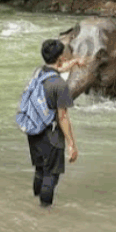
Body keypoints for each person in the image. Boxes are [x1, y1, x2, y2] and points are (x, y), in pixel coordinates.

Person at [25, 39, 83, 208]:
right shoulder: (60, 85)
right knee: (51, 175)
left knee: (40, 169)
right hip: (51, 135)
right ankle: (44, 210)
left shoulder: (38, 73)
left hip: (34, 130)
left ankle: (34, 199)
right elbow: (63, 117)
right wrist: (72, 144)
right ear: (59, 58)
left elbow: (58, 69)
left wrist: (73, 63)